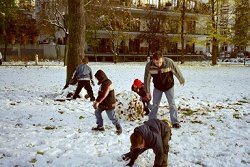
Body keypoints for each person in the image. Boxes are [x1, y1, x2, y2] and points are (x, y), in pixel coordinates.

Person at [144, 51, 185, 128]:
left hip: (169, 86)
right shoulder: (149, 66)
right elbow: (147, 79)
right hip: (157, 87)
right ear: (153, 60)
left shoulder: (169, 62)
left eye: (159, 62)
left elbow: (176, 70)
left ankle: (175, 121)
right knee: (155, 104)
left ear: (162, 58)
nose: (158, 64)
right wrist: (147, 91)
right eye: (156, 63)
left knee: (172, 103)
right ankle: (151, 121)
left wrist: (181, 79)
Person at [92, 69, 122, 135]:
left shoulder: (107, 83)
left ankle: (118, 127)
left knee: (111, 116)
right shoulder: (103, 83)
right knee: (97, 111)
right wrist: (96, 101)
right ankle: (100, 126)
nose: (97, 80)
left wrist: (97, 102)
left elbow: (103, 95)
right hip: (104, 102)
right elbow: (100, 94)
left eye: (97, 78)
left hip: (109, 103)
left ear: (100, 77)